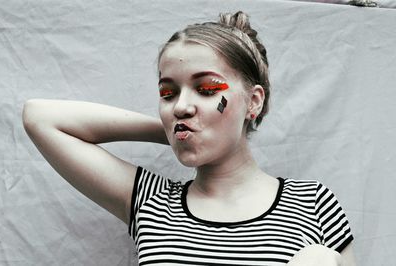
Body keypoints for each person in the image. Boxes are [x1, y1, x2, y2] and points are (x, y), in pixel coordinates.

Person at [22, 11, 356, 266]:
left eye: (207, 89)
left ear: (253, 101)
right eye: (168, 94)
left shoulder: (312, 202)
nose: (181, 106)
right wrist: (173, 130)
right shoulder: (151, 203)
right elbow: (40, 118)